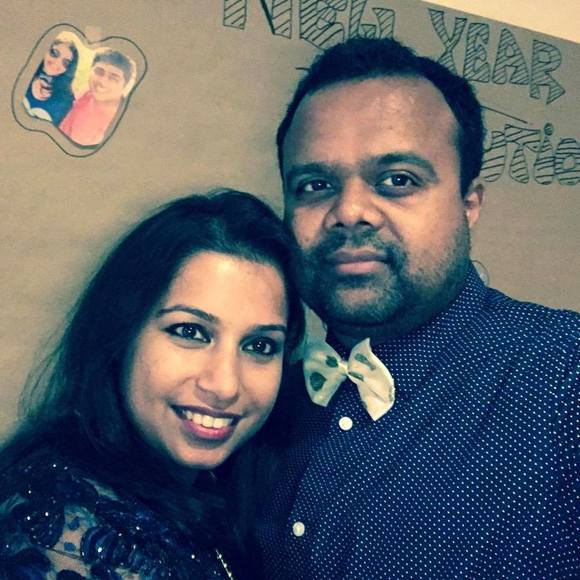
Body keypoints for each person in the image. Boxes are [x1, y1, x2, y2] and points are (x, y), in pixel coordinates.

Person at [256, 37, 579, 579]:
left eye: (398, 180)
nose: (350, 211)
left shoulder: (565, 378)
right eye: (315, 185)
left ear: (469, 203)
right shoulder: (255, 400)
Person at [0, 189, 305, 579]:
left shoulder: (236, 486)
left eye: (260, 345)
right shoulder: (64, 528)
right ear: (120, 336)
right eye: (190, 332)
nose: (225, 385)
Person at [59, 49, 135, 147]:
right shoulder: (87, 95)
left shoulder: (122, 124)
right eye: (99, 71)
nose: (102, 81)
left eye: (113, 78)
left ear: (125, 85)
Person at [23, 36, 79, 125]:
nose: (57, 63)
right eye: (54, 53)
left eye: (65, 62)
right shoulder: (22, 72)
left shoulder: (65, 99)